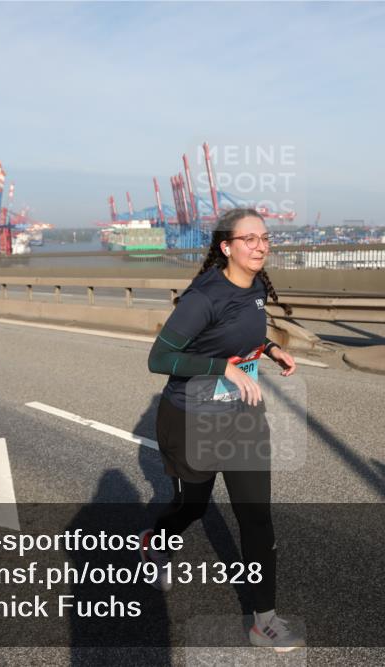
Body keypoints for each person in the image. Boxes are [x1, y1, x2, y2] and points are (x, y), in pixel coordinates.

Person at [140, 208, 304, 652]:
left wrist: (269, 348)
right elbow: (159, 359)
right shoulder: (204, 297)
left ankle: (263, 621)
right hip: (192, 419)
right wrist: (222, 370)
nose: (260, 246)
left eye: (265, 238)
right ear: (226, 247)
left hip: (242, 419)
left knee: (256, 518)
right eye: (248, 239)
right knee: (192, 505)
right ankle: (158, 539)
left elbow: (241, 333)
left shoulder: (255, 290)